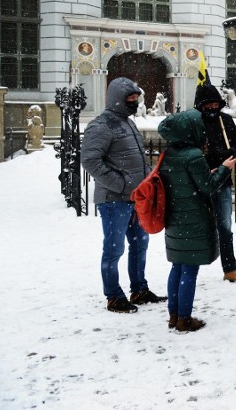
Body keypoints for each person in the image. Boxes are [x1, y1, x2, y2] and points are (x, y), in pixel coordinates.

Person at [81, 77, 165, 313]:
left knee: (139, 245)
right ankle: (114, 296)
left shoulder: (128, 123)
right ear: (117, 99)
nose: (134, 102)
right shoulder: (101, 125)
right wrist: (121, 184)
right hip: (113, 200)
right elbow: (90, 160)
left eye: (136, 98)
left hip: (136, 198)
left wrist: (147, 177)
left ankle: (139, 289)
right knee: (114, 249)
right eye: (130, 98)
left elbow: (137, 156)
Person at [158, 111, 236, 332]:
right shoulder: (193, 155)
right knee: (190, 270)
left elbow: (186, 181)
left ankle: (174, 315)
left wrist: (208, 172)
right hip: (193, 218)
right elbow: (208, 186)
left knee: (177, 267)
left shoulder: (170, 153)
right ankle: (184, 318)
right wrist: (224, 169)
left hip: (176, 218)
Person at [194, 84, 236, 283]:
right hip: (200, 181)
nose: (213, 108)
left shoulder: (226, 120)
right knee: (197, 226)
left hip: (223, 181)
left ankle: (229, 267)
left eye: (216, 104)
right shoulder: (195, 122)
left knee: (225, 225)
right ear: (201, 106)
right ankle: (192, 267)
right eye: (209, 105)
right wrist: (213, 158)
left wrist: (235, 153)